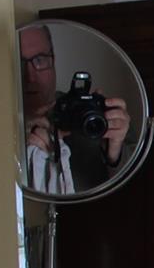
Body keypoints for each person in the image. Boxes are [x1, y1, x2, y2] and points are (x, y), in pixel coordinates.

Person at [19, 24, 131, 194]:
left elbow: (133, 196)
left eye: (40, 60)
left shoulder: (90, 116)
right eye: (20, 63)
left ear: (53, 61)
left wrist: (114, 155)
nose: (30, 76)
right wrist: (15, 144)